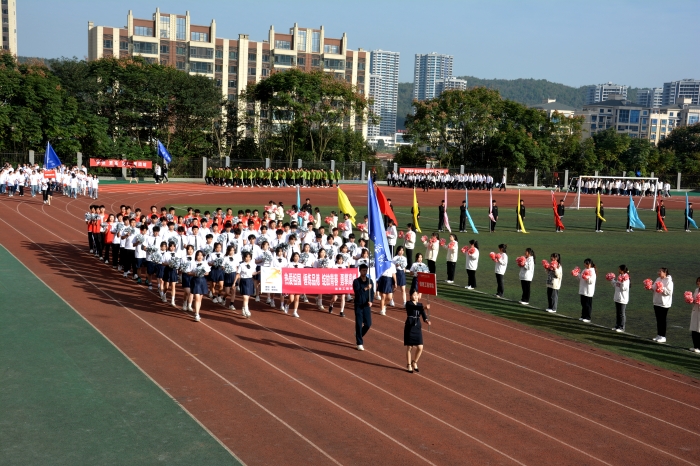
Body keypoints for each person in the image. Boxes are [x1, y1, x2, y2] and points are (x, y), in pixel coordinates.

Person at [404, 290, 431, 373]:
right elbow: (415, 308)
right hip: (410, 326)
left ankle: (414, 362)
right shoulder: (408, 304)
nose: (416, 296)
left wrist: (426, 320)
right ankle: (408, 365)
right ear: (411, 296)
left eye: (417, 295)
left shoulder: (420, 304)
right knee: (410, 347)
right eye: (414, 295)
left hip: (417, 327)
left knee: (420, 347)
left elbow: (422, 313)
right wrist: (424, 307)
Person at [353, 263, 374, 351]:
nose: (365, 272)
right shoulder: (356, 281)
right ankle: (359, 343)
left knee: (368, 324)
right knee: (358, 323)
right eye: (363, 270)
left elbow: (372, 293)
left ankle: (359, 334)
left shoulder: (370, 281)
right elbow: (357, 293)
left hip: (366, 305)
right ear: (360, 271)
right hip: (358, 305)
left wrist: (371, 301)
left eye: (366, 270)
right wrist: (365, 288)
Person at [187, 251, 211, 322]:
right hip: (195, 281)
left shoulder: (205, 263)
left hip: (202, 281)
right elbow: (188, 272)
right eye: (198, 255)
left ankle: (197, 312)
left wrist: (202, 272)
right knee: (197, 298)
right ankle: (196, 314)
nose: (200, 257)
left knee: (200, 298)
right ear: (196, 256)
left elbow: (207, 273)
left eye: (201, 255)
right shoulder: (192, 263)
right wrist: (196, 273)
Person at [652, 267, 673, 343]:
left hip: (664, 304)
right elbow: (654, 287)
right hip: (657, 302)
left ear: (665, 272)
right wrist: (649, 286)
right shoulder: (658, 279)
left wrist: (661, 288)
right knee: (658, 320)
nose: (658, 272)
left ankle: (663, 336)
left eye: (660, 271)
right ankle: (659, 335)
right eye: (659, 271)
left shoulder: (669, 281)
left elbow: (668, 292)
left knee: (662, 320)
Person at [612, 265, 630, 333]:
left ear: (622, 270)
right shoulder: (620, 276)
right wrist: (612, 280)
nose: (618, 270)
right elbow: (616, 285)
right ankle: (617, 325)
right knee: (618, 313)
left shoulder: (626, 278)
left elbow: (624, 288)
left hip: (623, 298)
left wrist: (622, 281)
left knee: (622, 313)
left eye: (619, 269)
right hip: (617, 297)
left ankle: (622, 327)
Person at [578, 259, 597, 323]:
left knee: (587, 305)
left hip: (588, 291)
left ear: (590, 264)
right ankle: (583, 316)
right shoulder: (584, 270)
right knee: (583, 304)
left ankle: (588, 317)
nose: (585, 265)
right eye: (585, 263)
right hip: (583, 290)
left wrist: (587, 278)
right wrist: (576, 274)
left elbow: (591, 281)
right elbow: (580, 278)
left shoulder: (592, 272)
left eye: (586, 263)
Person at [689, 277, 700, 352]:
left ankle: (699, 347)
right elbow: (694, 299)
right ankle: (695, 346)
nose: (698, 282)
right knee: (693, 329)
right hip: (695, 311)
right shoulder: (696, 290)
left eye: (699, 281)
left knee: (699, 330)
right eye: (698, 281)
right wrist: (690, 299)